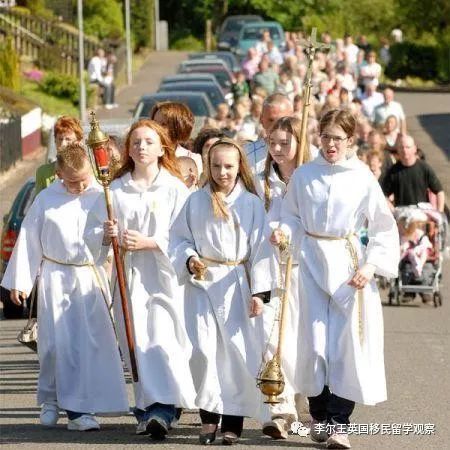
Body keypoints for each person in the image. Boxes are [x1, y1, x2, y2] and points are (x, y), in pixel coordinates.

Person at [271, 109, 400, 449]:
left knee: (344, 348)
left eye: (337, 138)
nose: (330, 144)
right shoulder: (304, 175)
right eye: (325, 137)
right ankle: (319, 415)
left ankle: (340, 422)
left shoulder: (360, 177)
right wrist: (283, 233)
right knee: (314, 346)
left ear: (350, 141)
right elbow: (291, 215)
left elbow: (383, 227)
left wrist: (370, 267)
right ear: (318, 138)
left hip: (347, 267)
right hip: (311, 263)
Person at [1, 144, 128, 431]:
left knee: (89, 345)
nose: (80, 185)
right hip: (56, 278)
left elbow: (105, 243)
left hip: (88, 277)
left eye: (84, 178)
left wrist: (109, 236)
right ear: (58, 174)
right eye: (72, 181)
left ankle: (80, 408)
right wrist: (20, 282)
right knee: (58, 346)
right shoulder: (46, 199)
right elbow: (30, 239)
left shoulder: (102, 196)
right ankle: (56, 401)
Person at [85, 119, 196, 440]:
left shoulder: (175, 188)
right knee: (138, 342)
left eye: (149, 142)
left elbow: (186, 234)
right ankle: (149, 407)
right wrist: (106, 236)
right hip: (130, 278)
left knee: (163, 339)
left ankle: (165, 405)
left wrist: (151, 241)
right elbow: (93, 232)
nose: (142, 147)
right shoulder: (115, 190)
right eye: (136, 143)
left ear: (163, 148)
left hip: (165, 277)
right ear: (127, 150)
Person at [169, 138, 275, 446]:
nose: (222, 172)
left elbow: (260, 251)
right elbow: (178, 238)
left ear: (239, 166)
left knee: (235, 354)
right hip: (203, 285)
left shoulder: (251, 204)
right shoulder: (195, 201)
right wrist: (189, 258)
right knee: (202, 352)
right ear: (208, 166)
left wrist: (259, 292)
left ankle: (232, 421)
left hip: (236, 284)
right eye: (216, 166)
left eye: (228, 166)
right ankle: (208, 418)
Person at [254, 117, 311, 440]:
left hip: (304, 272)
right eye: (272, 143)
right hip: (269, 271)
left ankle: (304, 407)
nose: (276, 149)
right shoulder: (261, 182)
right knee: (272, 341)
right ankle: (278, 409)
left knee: (303, 345)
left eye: (284, 143)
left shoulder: (308, 179)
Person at [382, 134, 445, 212]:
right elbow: (383, 195)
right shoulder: (392, 171)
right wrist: (392, 210)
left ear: (414, 149)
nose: (404, 150)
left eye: (408, 147)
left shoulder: (424, 168)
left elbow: (439, 191)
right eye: (401, 147)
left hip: (423, 212)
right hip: (402, 213)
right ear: (398, 150)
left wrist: (440, 212)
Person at [245, 93, 293, 175]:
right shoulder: (246, 154)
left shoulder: (309, 153)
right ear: (261, 120)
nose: (276, 126)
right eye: (271, 120)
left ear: (293, 120)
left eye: (282, 120)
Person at [150, 101, 203, 175]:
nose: (156, 128)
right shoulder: (144, 154)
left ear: (178, 127)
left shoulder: (192, 158)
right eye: (154, 123)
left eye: (163, 124)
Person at [35, 115, 83, 195]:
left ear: (78, 142)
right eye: (60, 139)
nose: (63, 144)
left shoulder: (88, 170)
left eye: (68, 139)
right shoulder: (43, 172)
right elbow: (39, 204)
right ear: (55, 140)